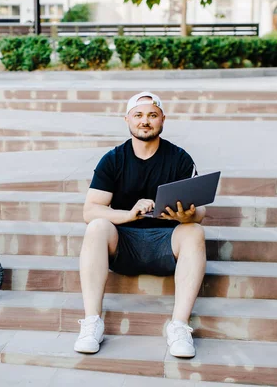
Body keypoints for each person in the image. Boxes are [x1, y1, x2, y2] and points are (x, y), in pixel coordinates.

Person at [74, 92, 206, 358]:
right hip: (123, 244)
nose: (145, 121)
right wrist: (130, 214)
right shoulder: (113, 159)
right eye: (139, 115)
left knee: (194, 230)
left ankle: (179, 327)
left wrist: (183, 216)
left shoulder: (179, 158)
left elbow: (200, 211)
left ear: (162, 120)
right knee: (96, 227)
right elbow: (90, 210)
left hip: (166, 244)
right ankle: (92, 323)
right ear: (127, 120)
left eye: (152, 115)